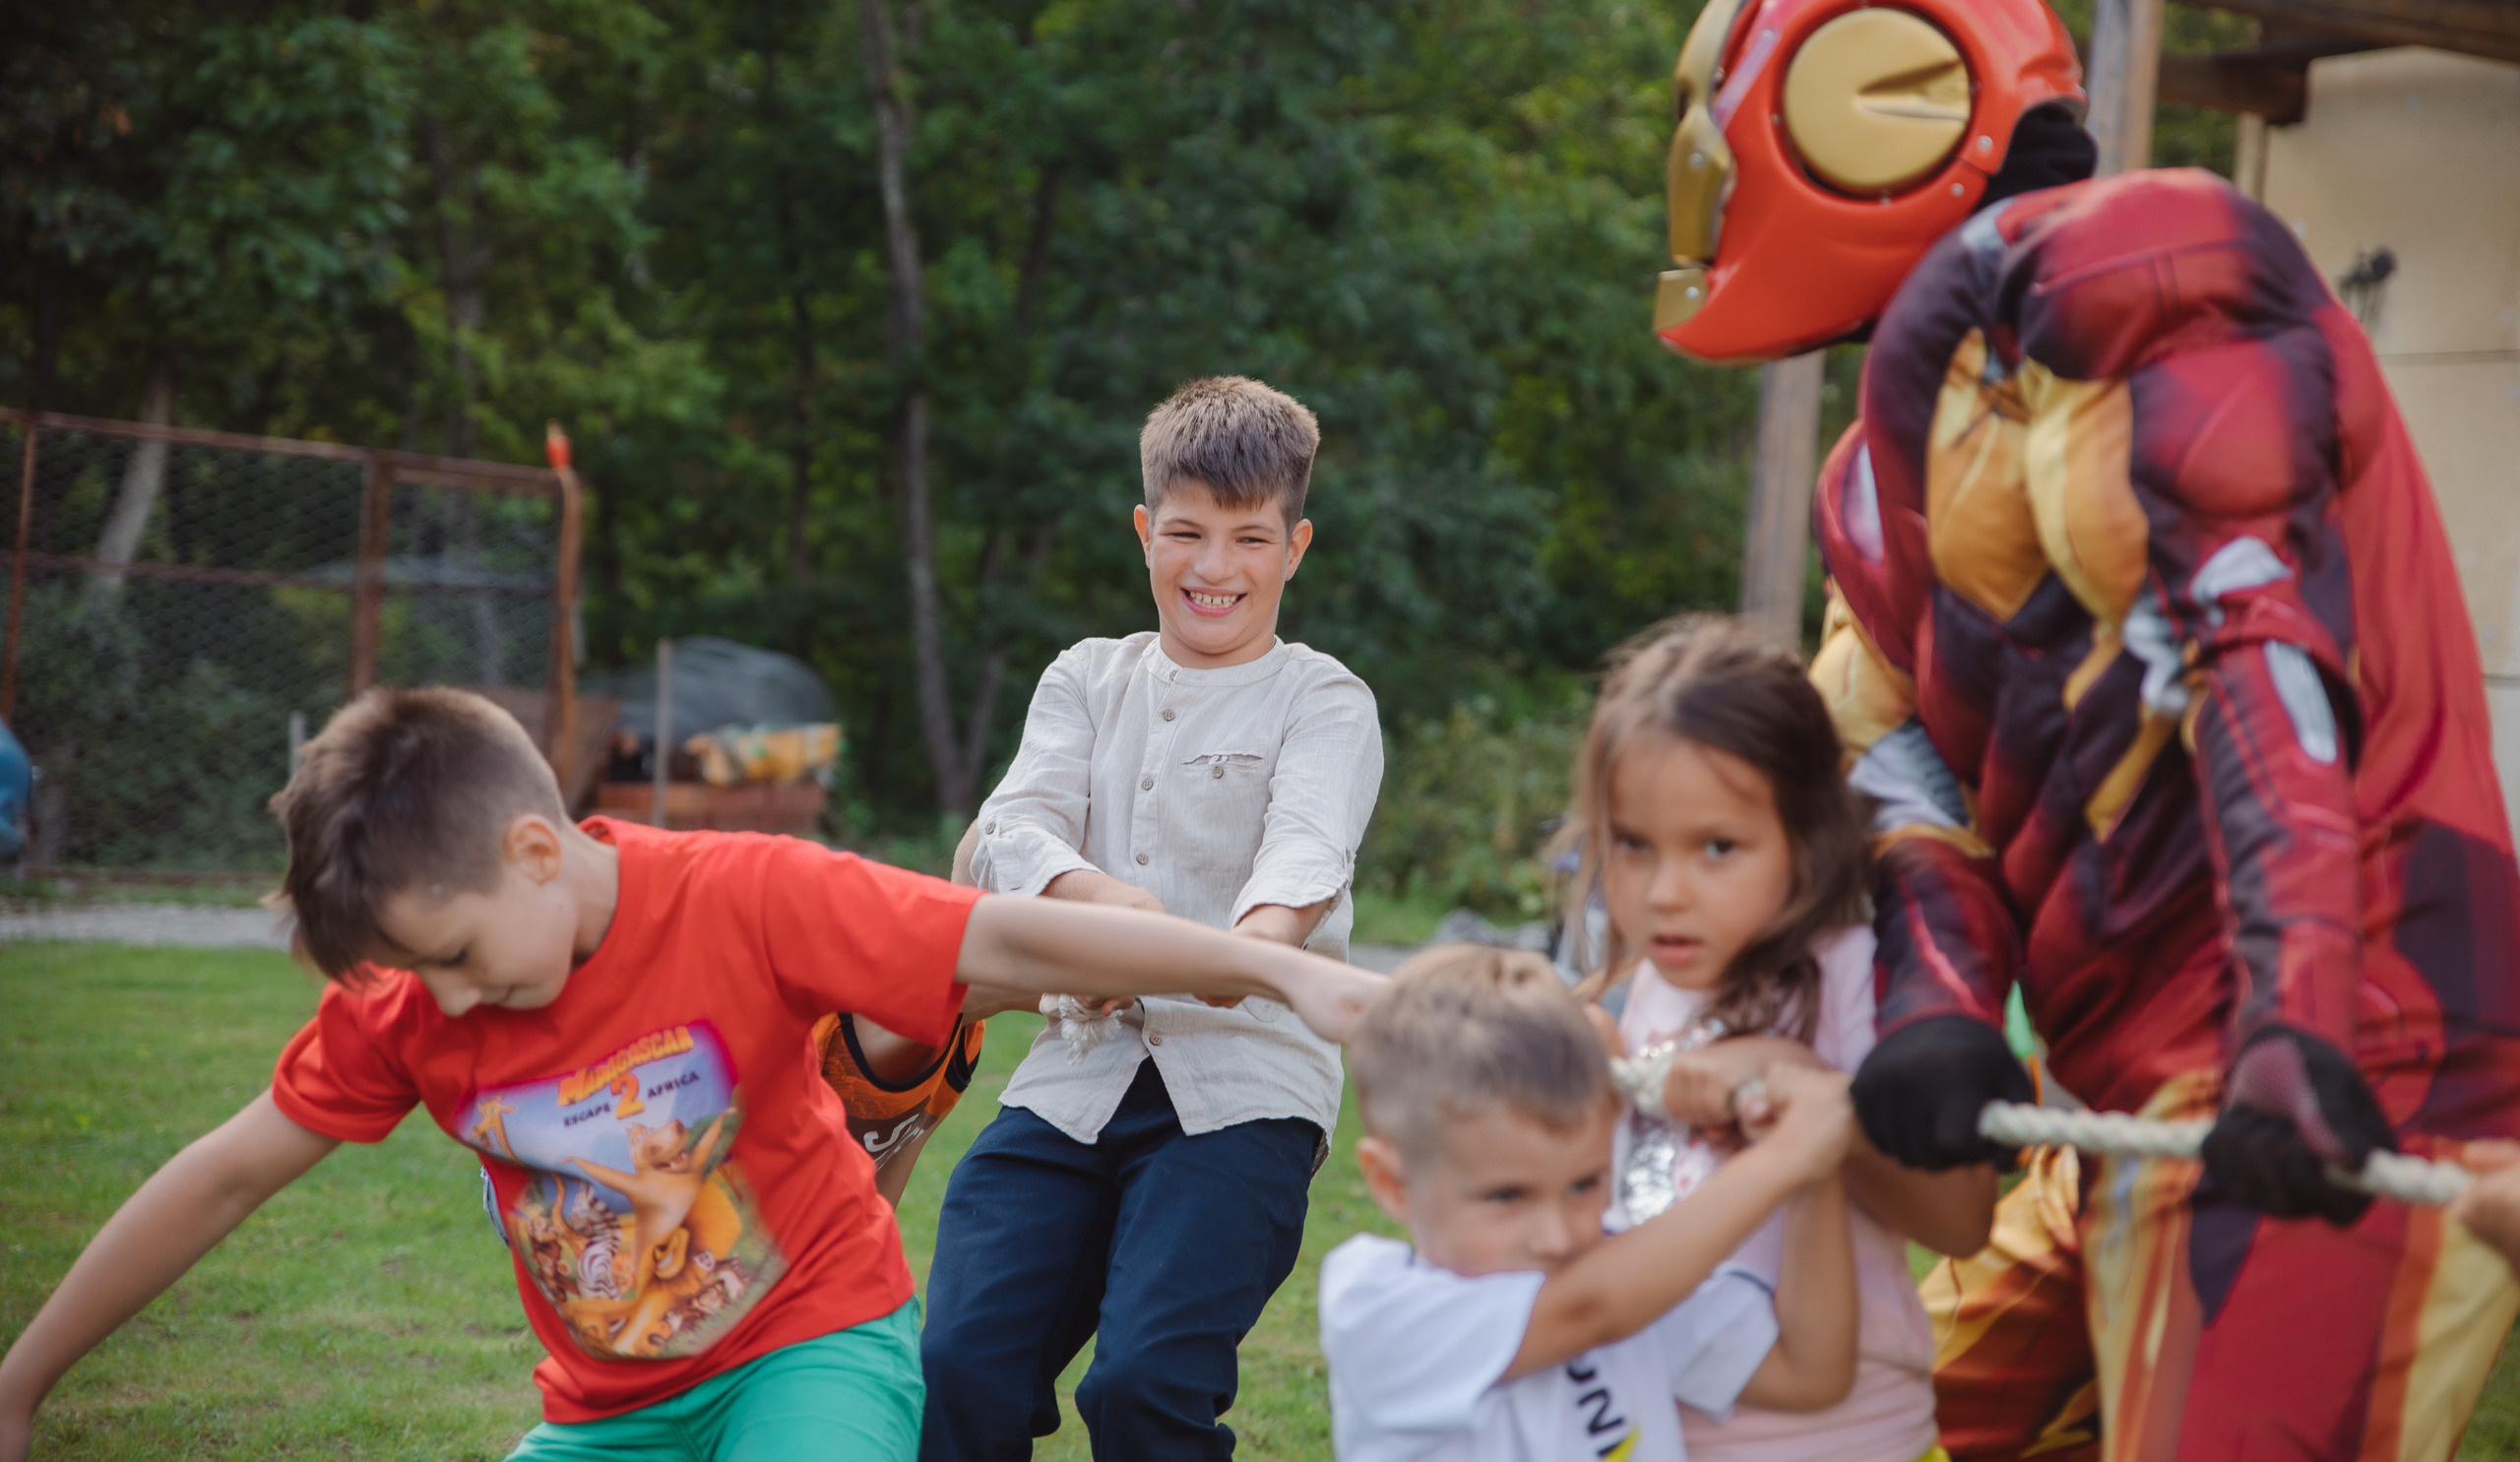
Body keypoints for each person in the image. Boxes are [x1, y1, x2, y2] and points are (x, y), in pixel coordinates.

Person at [1652, 0, 2520, 1459]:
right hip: (2128, 1095)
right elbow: (1900, 788)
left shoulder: (2145, 265)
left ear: (1868, 106)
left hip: (2349, 1051)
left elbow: (2258, 649)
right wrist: (1934, 1017)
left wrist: (2301, 1019)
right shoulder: (1882, 475)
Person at [0, 687, 1383, 1462]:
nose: (451, 1003)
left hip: (811, 1346)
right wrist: (22, 1381)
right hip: (607, 1416)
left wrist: (1278, 970)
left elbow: (1000, 933)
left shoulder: (742, 895)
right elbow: (229, 1169)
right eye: (424, 975)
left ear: (538, 851)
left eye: (465, 956)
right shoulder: (412, 991)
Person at [918, 374, 1384, 1461]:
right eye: (1185, 532)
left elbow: (1300, 864)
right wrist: (1115, 911)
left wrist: (1238, 958)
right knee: (958, 1366)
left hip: (1246, 1088)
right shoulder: (1087, 678)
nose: (1213, 568)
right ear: (1143, 532)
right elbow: (1002, 836)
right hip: (1074, 1075)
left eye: (1248, 539)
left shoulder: (1323, 700)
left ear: (1295, 547)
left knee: (1140, 1388)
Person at [1559, 614, 1990, 1462]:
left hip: (1845, 1441)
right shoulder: (1646, 986)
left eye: (1717, 847)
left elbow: (1963, 1217)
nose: (1666, 892)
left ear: (1804, 834)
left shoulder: (1851, 977)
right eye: (1636, 846)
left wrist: (1807, 1085)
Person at [1319, 944, 1858, 1462]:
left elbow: (1811, 1375)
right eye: (1507, 1195)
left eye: (1583, 1185)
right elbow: (1592, 1310)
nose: (1557, 1236)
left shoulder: (1621, 1269)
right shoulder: (1373, 1303)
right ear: (1393, 1184)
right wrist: (1786, 1156)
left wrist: (1813, 1172)